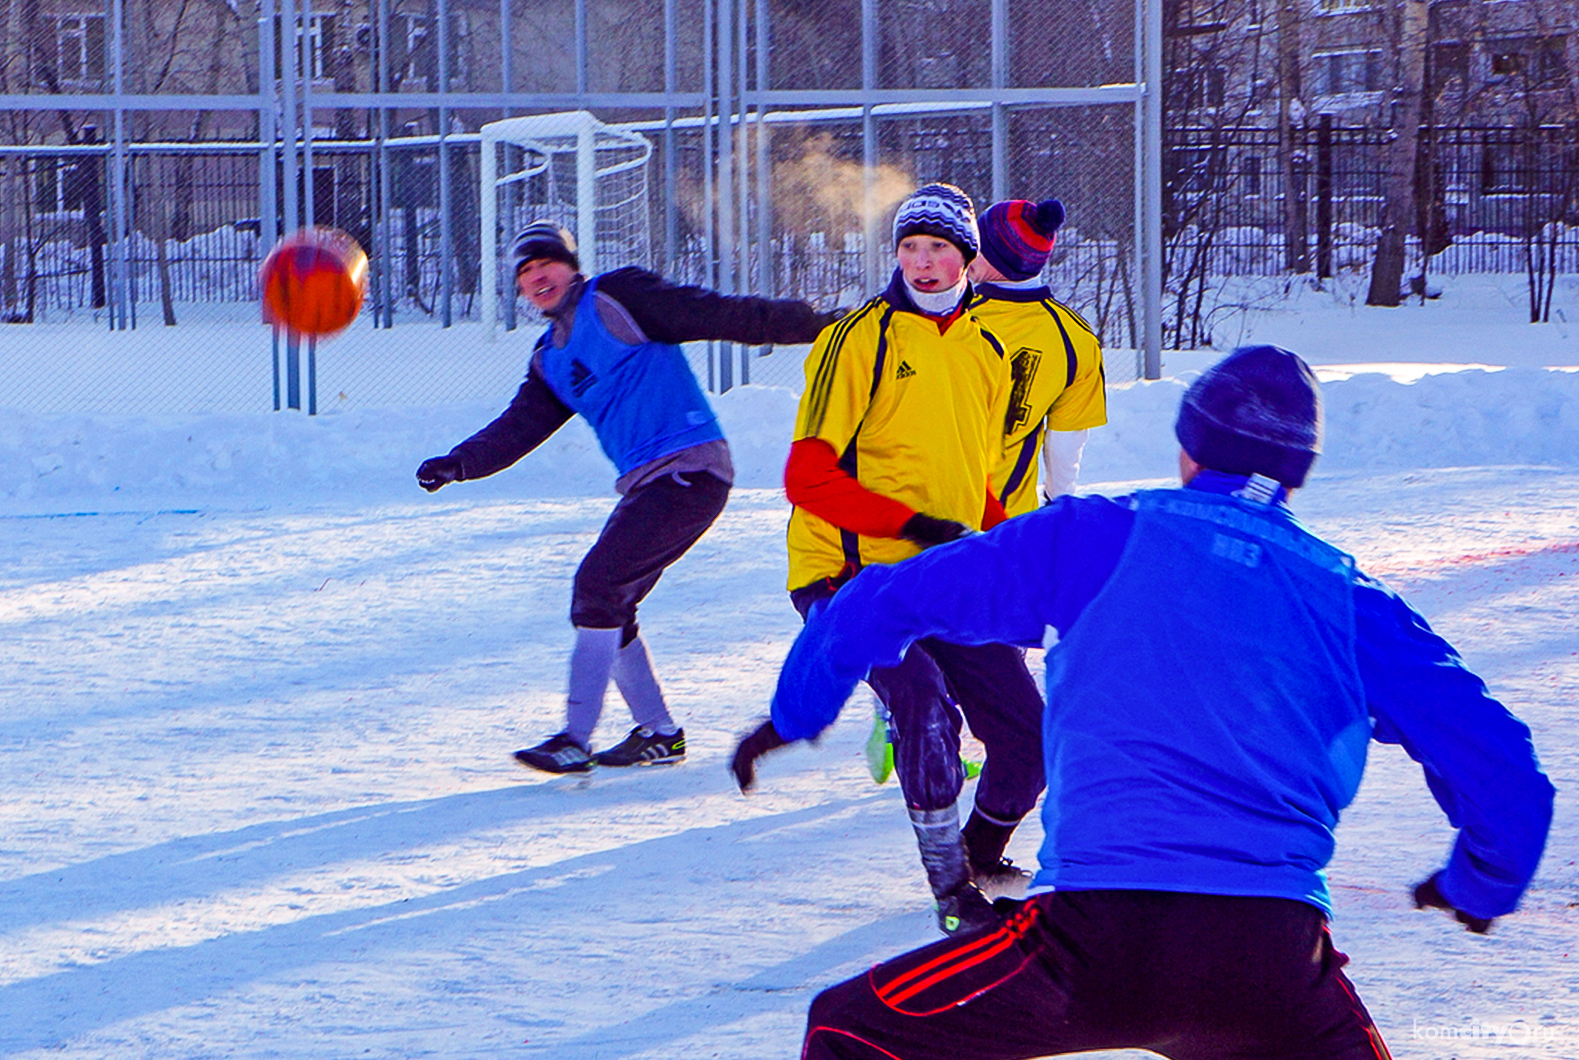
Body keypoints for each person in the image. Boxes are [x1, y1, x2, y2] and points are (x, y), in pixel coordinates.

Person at [737, 345, 1554, 1060]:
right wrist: (1480, 885)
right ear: (1297, 473)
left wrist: (797, 711)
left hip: (1094, 943)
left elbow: (877, 601)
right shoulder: (1351, 602)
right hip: (1270, 964)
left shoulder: (1089, 537)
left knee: (848, 1031)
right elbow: (1502, 761)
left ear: (1188, 449)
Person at [416, 221, 841, 774]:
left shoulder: (620, 299)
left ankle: (575, 737)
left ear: (571, 266)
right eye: (524, 271)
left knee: (597, 586)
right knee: (610, 603)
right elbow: (517, 428)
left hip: (691, 471)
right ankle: (659, 733)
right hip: (651, 484)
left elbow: (719, 313)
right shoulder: (550, 358)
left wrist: (820, 326)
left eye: (546, 262)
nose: (537, 276)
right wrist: (460, 463)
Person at [761, 182, 1048, 936]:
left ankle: (980, 854)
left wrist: (1014, 561)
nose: (922, 264)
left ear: (968, 259)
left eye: (938, 249)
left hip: (944, 579)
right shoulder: (857, 340)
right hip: (849, 577)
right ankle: (954, 895)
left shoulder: (988, 351)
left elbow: (976, 482)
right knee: (924, 711)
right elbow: (807, 477)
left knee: (1030, 736)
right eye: (910, 249)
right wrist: (915, 526)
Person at [963, 199, 1107, 518]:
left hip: (924, 520)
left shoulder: (949, 318)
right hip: (1008, 526)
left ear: (1000, 257)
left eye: (978, 243)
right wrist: (1057, 503)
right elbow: (1065, 444)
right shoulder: (1074, 338)